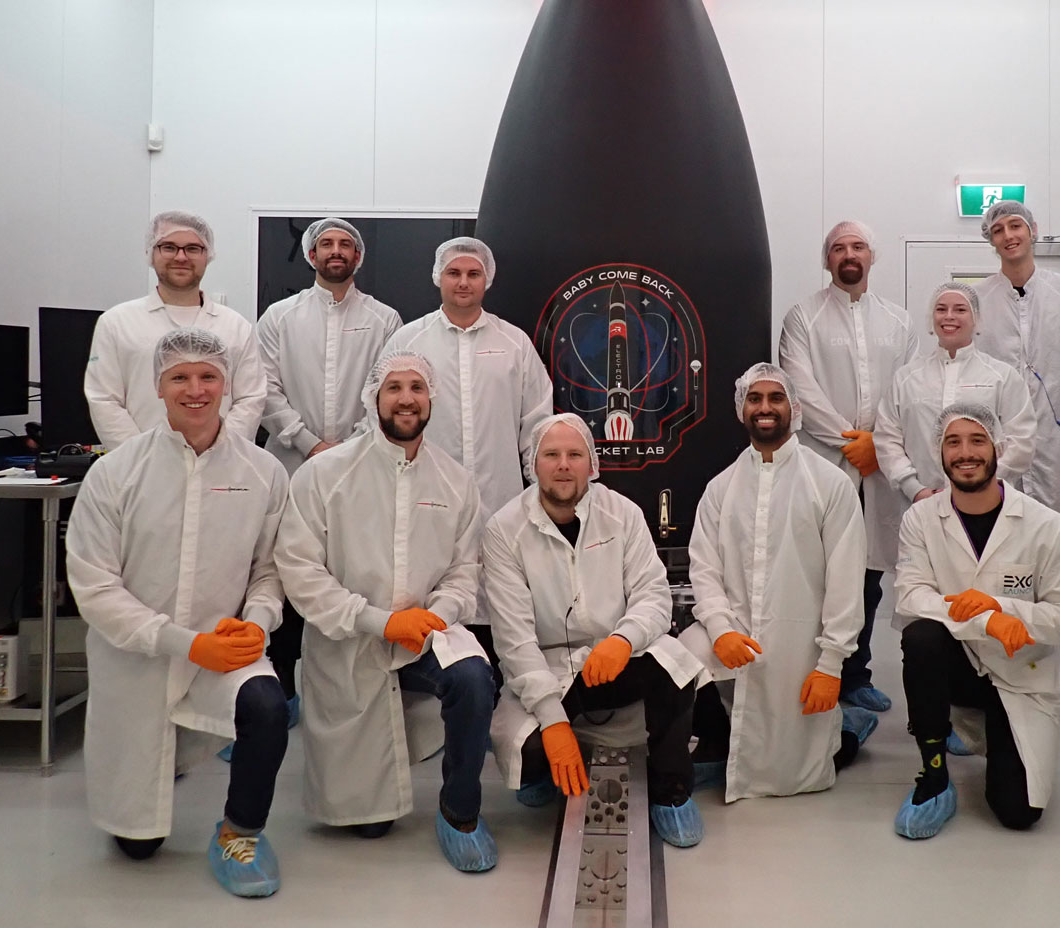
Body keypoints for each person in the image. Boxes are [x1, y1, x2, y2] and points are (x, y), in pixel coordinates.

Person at [66, 328, 290, 897]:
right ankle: (150, 795)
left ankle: (240, 833)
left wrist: (257, 622)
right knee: (138, 846)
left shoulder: (263, 472)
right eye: (180, 378)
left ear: (227, 384)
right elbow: (96, 589)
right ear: (158, 387)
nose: (196, 389)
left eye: (208, 376)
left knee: (267, 707)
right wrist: (184, 643)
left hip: (223, 649)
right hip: (138, 657)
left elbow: (269, 570)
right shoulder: (116, 473)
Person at [273, 351, 498, 873]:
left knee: (472, 678)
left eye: (417, 388)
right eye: (393, 388)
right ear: (374, 397)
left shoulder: (454, 481)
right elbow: (300, 572)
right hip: (350, 637)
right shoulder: (325, 474)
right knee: (368, 826)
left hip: (425, 633)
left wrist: (435, 616)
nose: (406, 399)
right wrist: (379, 621)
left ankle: (460, 811)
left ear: (431, 398)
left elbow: (464, 570)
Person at [483, 413, 706, 848]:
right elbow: (514, 640)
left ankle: (671, 790)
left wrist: (623, 640)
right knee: (530, 752)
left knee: (675, 668)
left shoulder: (621, 513)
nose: (563, 465)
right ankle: (543, 771)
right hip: (548, 668)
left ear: (592, 464)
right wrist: (553, 723)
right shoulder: (504, 530)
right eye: (551, 455)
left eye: (575, 454)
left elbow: (653, 595)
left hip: (618, 656)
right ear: (533, 464)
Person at [891, 403, 1060, 839]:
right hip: (958, 664)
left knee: (1018, 813)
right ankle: (934, 772)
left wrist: (1003, 609)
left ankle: (986, 731)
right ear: (939, 452)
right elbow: (911, 595)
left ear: (998, 447)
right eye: (953, 442)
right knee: (921, 636)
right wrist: (987, 621)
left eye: (977, 440)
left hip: (1020, 673)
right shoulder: (921, 519)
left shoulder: (1046, 526)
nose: (966, 453)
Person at [681, 364, 875, 802]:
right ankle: (715, 740)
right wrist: (720, 628)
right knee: (680, 657)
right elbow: (704, 568)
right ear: (741, 409)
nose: (764, 407)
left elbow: (846, 581)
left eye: (775, 398)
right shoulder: (721, 488)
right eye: (755, 398)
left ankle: (848, 731)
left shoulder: (830, 484)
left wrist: (831, 666)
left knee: (797, 769)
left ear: (794, 408)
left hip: (801, 646)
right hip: (735, 635)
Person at [252, 217, 401, 731]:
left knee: (350, 571)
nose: (336, 251)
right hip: (290, 464)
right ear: (311, 255)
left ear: (357, 257)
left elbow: (385, 388)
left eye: (345, 245)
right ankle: (282, 689)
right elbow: (264, 388)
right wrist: (309, 443)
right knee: (285, 570)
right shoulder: (279, 317)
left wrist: (350, 446)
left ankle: (352, 690)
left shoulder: (385, 319)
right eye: (326, 244)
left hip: (361, 468)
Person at [379, 237, 553, 653]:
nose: (463, 282)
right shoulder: (408, 341)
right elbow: (381, 416)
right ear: (438, 277)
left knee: (501, 609)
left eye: (473, 274)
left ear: (487, 280)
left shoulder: (514, 343)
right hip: (426, 497)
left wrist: (538, 494)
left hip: (501, 499)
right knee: (432, 601)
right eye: (454, 273)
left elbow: (537, 423)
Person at [779, 219, 918, 719]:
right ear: (827, 260)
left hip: (878, 468)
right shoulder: (804, 317)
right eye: (839, 248)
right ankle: (813, 669)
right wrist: (850, 440)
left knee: (868, 575)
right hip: (823, 463)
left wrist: (877, 445)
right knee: (818, 570)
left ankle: (855, 674)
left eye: (858, 246)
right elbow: (799, 387)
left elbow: (905, 391)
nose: (849, 254)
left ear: (872, 256)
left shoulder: (899, 322)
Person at [84, 211, 266, 452]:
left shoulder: (236, 326)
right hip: (141, 465)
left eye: (193, 248)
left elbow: (250, 399)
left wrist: (218, 453)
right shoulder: (116, 323)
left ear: (208, 255)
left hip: (222, 464)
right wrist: (141, 457)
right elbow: (104, 399)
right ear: (151, 253)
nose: (181, 257)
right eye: (169, 247)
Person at [973, 200, 1060, 532]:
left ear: (1033, 231)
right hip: (997, 437)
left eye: (1015, 226)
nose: (1008, 235)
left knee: (1054, 530)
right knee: (996, 531)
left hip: (1057, 440)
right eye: (998, 230)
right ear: (991, 240)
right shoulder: (978, 298)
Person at [874, 282, 1037, 503]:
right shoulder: (906, 379)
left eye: (960, 309)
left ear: (976, 318)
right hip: (922, 502)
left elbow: (1021, 440)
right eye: (941, 309)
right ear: (931, 318)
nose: (949, 316)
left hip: (987, 502)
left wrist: (984, 484)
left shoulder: (1002, 377)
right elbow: (887, 439)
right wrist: (914, 489)